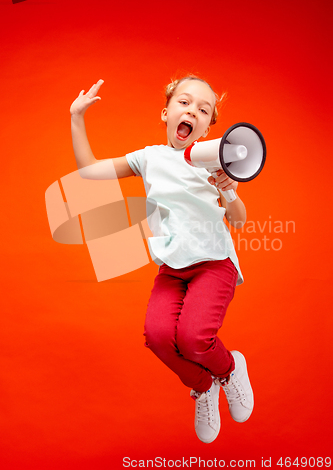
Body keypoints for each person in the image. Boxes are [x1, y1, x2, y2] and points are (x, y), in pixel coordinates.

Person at [70, 76, 254, 444]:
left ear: (207, 126)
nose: (192, 112)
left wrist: (228, 190)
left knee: (192, 337)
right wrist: (76, 118)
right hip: (173, 266)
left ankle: (231, 370)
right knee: (157, 336)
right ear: (166, 113)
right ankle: (204, 387)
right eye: (185, 103)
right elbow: (89, 170)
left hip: (214, 261)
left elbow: (239, 219)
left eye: (203, 110)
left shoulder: (212, 160)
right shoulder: (148, 157)